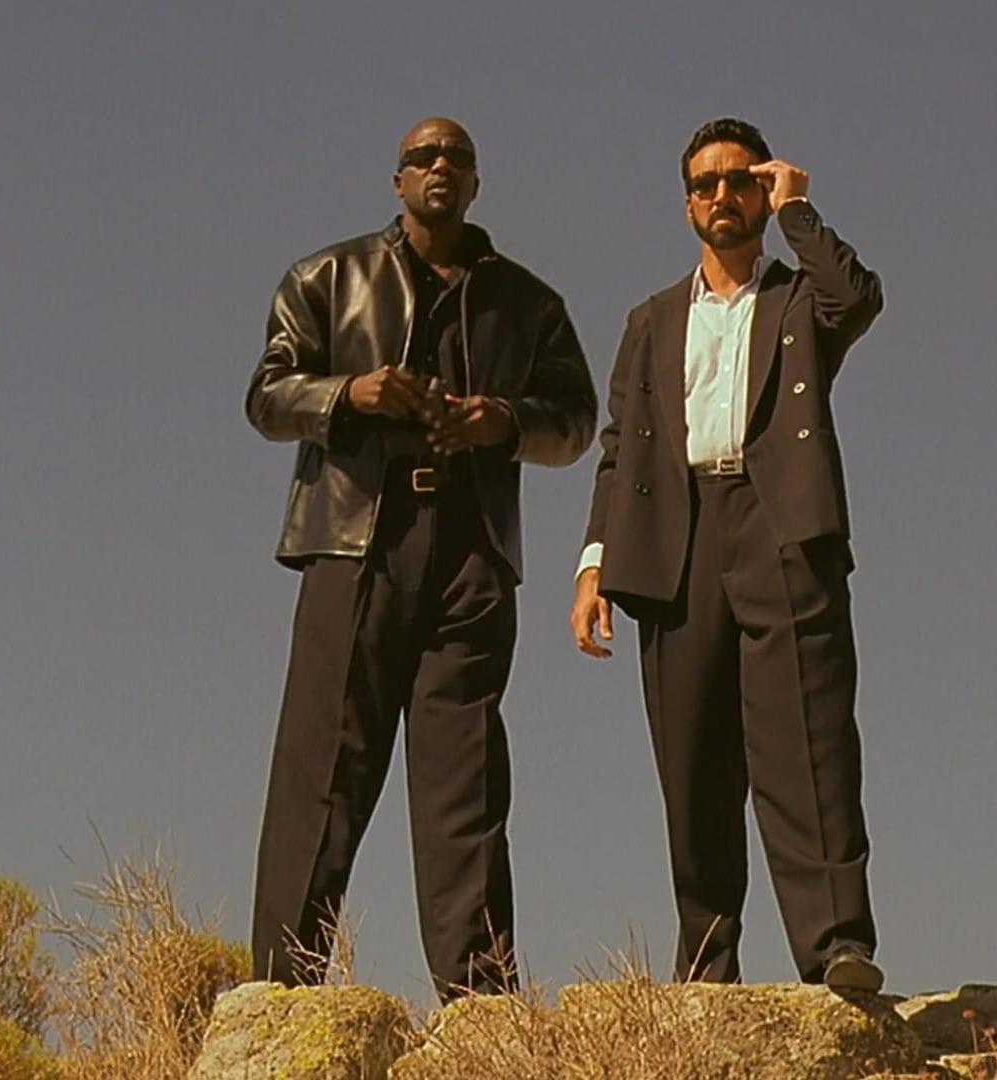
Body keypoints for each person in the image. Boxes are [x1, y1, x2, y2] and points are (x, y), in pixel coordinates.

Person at [245, 117, 597, 1000]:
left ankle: (478, 1005)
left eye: (456, 158)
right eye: (423, 157)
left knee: (465, 783)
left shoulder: (528, 303)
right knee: (324, 767)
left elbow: (576, 421)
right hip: (353, 544)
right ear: (397, 180)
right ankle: (284, 993)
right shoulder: (326, 278)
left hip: (471, 552)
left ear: (476, 183)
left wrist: (501, 422)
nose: (440, 166)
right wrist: (351, 393)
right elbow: (267, 396)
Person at [570, 117, 887, 992]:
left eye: (740, 179)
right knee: (693, 758)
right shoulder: (649, 321)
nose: (722, 194)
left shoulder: (798, 300)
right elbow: (618, 449)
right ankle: (707, 964)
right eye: (705, 183)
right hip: (674, 537)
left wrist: (799, 211)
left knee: (807, 740)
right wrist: (595, 563)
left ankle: (837, 947)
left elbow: (857, 298)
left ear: (761, 188)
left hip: (780, 522)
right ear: (687, 206)